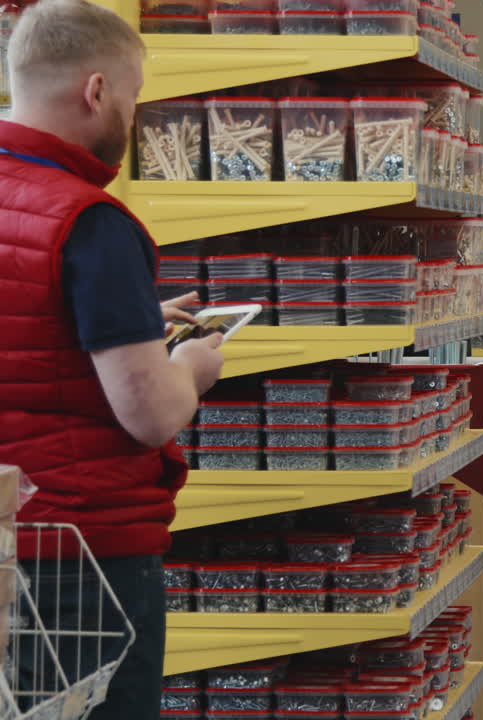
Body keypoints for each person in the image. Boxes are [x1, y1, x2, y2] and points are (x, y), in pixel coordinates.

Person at [0, 1, 224, 718]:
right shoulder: (90, 222)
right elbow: (150, 414)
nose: (133, 116)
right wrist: (190, 369)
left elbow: (23, 327)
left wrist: (131, 322)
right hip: (81, 559)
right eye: (133, 96)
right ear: (96, 91)